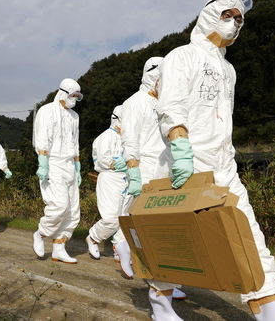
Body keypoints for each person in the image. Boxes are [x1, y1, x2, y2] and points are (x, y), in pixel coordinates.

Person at [151, 0, 275, 321]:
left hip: (224, 164)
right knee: (180, 242)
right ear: (209, 15)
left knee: (248, 235)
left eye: (239, 19)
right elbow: (170, 106)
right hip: (188, 162)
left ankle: (271, 312)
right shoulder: (181, 56)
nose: (233, 24)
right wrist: (180, 147)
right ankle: (160, 303)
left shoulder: (228, 70)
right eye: (227, 15)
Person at [118, 56, 187, 299]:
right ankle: (127, 249)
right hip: (146, 169)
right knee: (145, 228)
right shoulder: (134, 103)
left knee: (165, 229)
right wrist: (134, 171)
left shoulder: (166, 103)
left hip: (166, 169)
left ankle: (165, 281)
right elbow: (130, 140)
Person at [32, 78, 83, 264]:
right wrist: (43, 162)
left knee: (72, 210)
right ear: (62, 92)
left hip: (69, 164)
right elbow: (42, 137)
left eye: (77, 96)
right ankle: (41, 233)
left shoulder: (74, 117)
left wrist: (78, 166)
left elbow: (75, 141)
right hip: (52, 163)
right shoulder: (47, 110)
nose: (74, 99)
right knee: (59, 205)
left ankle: (59, 248)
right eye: (72, 95)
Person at [86, 106, 133, 265]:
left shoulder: (127, 138)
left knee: (124, 216)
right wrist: (119, 163)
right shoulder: (104, 138)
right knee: (112, 218)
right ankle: (93, 237)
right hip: (109, 178)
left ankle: (119, 248)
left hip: (126, 178)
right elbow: (102, 160)